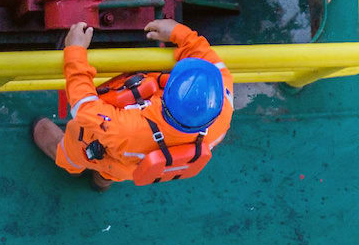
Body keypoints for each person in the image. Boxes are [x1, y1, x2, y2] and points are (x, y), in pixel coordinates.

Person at [30, 17, 233, 188]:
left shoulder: (124, 129)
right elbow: (212, 62)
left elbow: (84, 106)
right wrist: (179, 33)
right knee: (114, 170)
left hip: (99, 146)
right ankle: (102, 181)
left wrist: (75, 51)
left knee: (74, 154)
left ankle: (69, 163)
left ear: (168, 94)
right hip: (128, 165)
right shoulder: (223, 103)